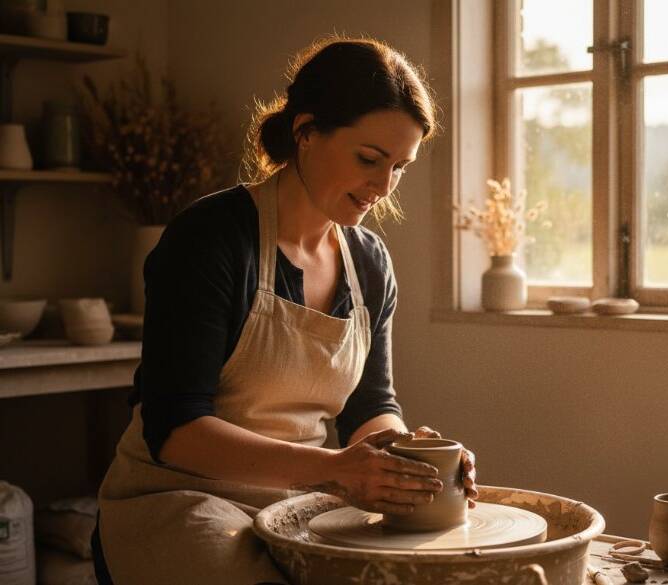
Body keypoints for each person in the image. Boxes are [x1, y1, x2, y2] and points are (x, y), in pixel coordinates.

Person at [93, 37, 478, 585]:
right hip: (179, 498)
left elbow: (370, 405)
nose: (383, 186)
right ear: (306, 131)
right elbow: (175, 427)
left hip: (301, 501)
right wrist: (336, 470)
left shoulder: (368, 262)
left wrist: (406, 457)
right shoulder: (212, 238)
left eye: (400, 168)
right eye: (369, 159)